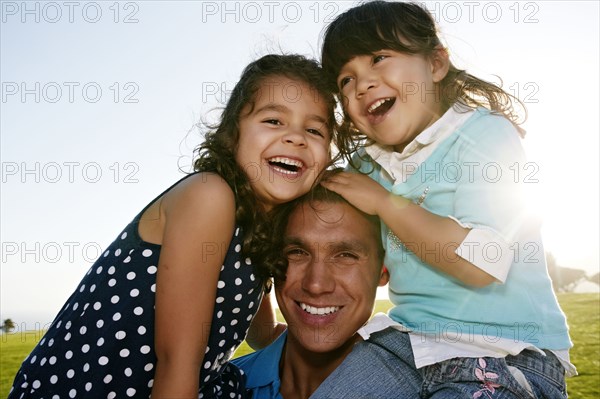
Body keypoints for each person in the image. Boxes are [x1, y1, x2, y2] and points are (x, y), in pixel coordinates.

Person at [8, 54, 339, 399]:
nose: (296, 138)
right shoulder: (208, 196)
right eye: (273, 120)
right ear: (231, 135)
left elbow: (262, 332)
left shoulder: (261, 228)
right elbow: (177, 364)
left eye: (314, 130)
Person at [315, 2, 576, 398]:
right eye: (345, 80)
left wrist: (386, 205)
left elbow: (483, 263)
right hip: (407, 342)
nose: (362, 84)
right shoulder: (366, 167)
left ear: (436, 63)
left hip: (505, 350)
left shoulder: (484, 134)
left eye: (379, 58)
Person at [232, 183, 423, 399]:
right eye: (297, 252)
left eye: (345, 255)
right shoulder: (219, 388)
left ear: (384, 270)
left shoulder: (430, 390)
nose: (316, 284)